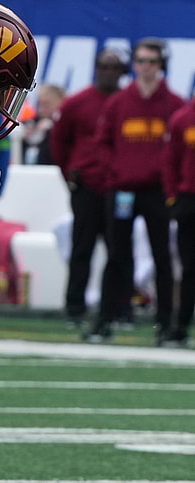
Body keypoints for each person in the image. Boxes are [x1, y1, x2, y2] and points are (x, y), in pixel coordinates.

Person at [85, 37, 184, 343]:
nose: (145, 67)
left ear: (162, 65)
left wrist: (172, 187)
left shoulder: (174, 105)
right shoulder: (118, 103)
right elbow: (101, 144)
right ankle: (105, 320)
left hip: (157, 191)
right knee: (116, 255)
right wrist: (112, 175)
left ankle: (165, 325)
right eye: (140, 61)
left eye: (152, 62)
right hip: (123, 189)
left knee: (162, 258)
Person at [49, 48, 128, 328]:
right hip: (86, 186)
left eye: (114, 67)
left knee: (119, 250)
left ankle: (117, 309)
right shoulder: (77, 103)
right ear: (96, 68)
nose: (108, 71)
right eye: (103, 66)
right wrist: (69, 173)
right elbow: (59, 141)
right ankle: (75, 308)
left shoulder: (126, 103)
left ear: (122, 71)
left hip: (119, 187)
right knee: (82, 248)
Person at [162, 96, 195, 346]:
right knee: (189, 268)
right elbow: (170, 161)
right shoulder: (183, 119)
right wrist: (173, 196)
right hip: (189, 199)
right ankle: (181, 325)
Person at [20, 83, 65, 165]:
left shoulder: (65, 127)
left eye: (46, 104)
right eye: (40, 104)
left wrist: (54, 128)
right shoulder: (32, 122)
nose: (41, 109)